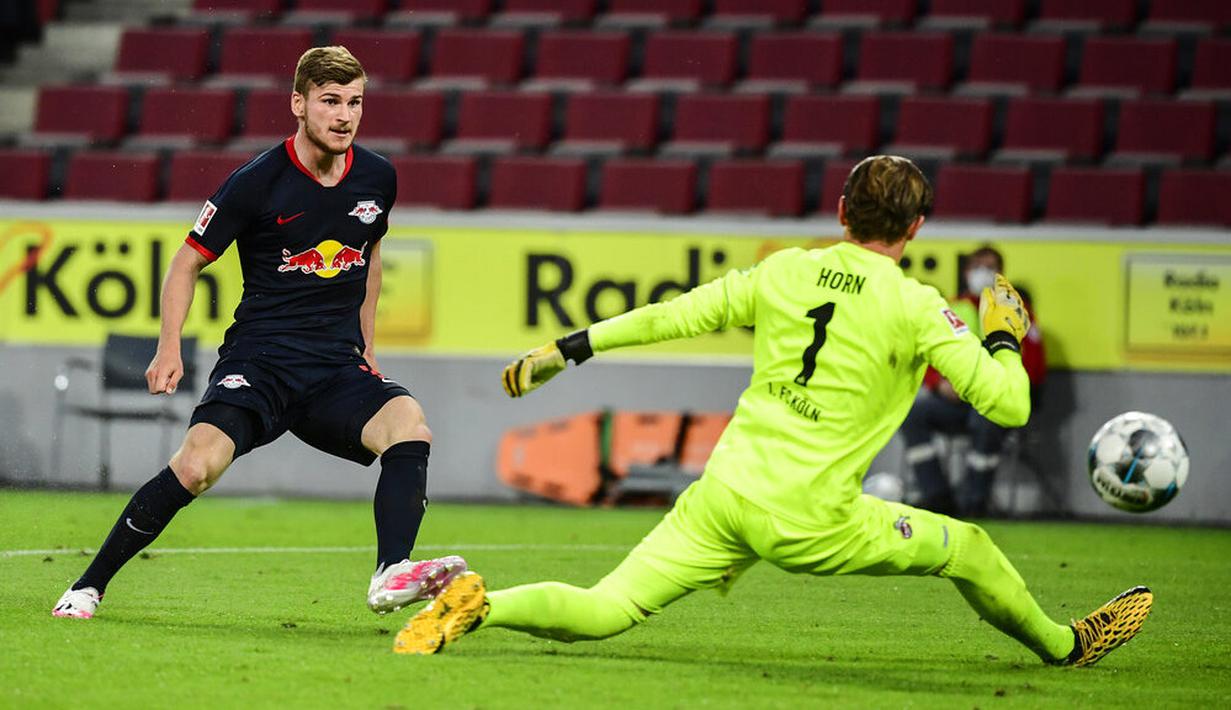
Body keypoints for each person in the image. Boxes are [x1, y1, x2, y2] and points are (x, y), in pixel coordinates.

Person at [394, 156, 1151, 667]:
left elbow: (675, 314)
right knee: (971, 549)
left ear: (841, 210)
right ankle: (1064, 647)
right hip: (809, 518)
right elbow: (1006, 404)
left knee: (608, 603)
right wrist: (1000, 333)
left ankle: (483, 606)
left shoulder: (786, 270)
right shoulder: (916, 305)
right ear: (916, 230)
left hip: (724, 491)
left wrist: (568, 348)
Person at [52, 46, 466, 619]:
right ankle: (88, 584)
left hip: (334, 370)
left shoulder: (378, 178)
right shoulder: (256, 182)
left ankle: (390, 573)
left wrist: (368, 345)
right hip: (262, 362)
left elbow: (370, 256)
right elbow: (186, 261)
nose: (344, 116)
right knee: (196, 467)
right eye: (329, 102)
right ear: (298, 104)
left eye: (355, 103)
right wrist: (168, 346)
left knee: (409, 427)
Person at [900, 245, 1047, 516]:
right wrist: (938, 384)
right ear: (966, 272)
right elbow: (928, 356)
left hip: (993, 401)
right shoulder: (952, 307)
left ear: (1001, 273)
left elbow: (1035, 366)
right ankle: (937, 496)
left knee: (985, 421)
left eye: (989, 267)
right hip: (955, 401)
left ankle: (974, 502)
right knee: (913, 413)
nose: (982, 273)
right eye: (976, 267)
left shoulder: (1019, 311)